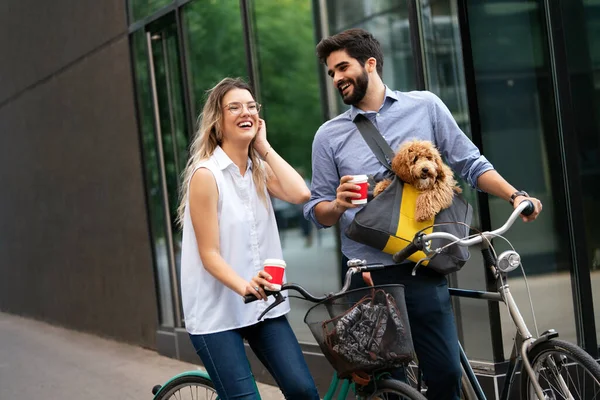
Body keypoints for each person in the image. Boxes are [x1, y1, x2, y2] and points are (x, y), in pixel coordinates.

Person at [303, 29, 543, 400]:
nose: (336, 78)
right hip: (371, 276)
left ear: (370, 63)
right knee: (390, 384)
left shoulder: (425, 107)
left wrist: (514, 195)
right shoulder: (329, 136)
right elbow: (317, 211)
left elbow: (470, 163)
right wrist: (336, 205)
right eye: (331, 72)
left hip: (424, 264)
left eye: (342, 67)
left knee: (446, 373)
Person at [178, 77, 319, 400]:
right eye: (235, 107)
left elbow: (301, 193)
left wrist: (263, 147)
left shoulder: (258, 168)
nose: (246, 112)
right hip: (217, 312)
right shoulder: (206, 175)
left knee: (303, 391)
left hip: (261, 308)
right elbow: (209, 254)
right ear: (218, 121)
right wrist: (245, 286)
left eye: (252, 107)